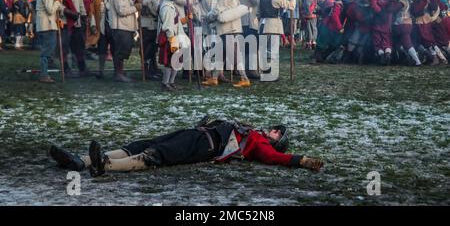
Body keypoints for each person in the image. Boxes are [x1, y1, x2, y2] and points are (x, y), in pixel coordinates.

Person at [49, 115, 324, 177]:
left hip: (206, 145)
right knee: (144, 143)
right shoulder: (253, 130)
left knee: (159, 154)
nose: (273, 130)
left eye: (278, 133)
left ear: (277, 141)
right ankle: (81, 162)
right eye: (276, 128)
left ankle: (105, 165)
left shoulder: (261, 144)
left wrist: (301, 160)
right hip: (197, 133)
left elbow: (274, 157)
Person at [202, 0, 251, 88]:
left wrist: (208, 17)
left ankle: (245, 78)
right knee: (221, 53)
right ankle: (214, 78)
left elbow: (217, 10)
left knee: (235, 55)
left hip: (229, 29)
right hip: (230, 28)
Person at [158, 0, 190, 91]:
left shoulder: (171, 5)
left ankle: (171, 82)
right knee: (169, 62)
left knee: (176, 61)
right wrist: (172, 40)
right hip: (170, 38)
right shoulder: (166, 8)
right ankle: (165, 83)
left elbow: (176, 23)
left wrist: (186, 19)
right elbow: (168, 26)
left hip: (176, 37)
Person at [110, 0, 140, 82]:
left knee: (123, 51)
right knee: (120, 52)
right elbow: (121, 11)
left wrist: (134, 3)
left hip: (125, 27)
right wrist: (135, 8)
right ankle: (118, 74)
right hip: (121, 28)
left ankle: (120, 72)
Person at [35, 0, 65, 83]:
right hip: (47, 26)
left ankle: (45, 73)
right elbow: (51, 9)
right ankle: (44, 75)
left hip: (47, 25)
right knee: (46, 52)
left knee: (47, 51)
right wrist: (57, 2)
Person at [240, 0, 262, 80]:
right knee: (251, 46)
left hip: (249, 22)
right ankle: (251, 69)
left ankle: (249, 69)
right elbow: (257, 1)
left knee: (250, 47)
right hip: (249, 22)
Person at [91, 0, 114, 79]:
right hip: (102, 28)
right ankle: (101, 70)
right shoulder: (97, 0)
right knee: (101, 50)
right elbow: (92, 13)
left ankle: (118, 71)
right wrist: (93, 25)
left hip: (112, 27)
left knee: (115, 49)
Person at [141, 0, 162, 80]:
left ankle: (153, 69)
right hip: (147, 26)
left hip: (152, 26)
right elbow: (155, 11)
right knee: (147, 50)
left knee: (152, 49)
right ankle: (148, 71)